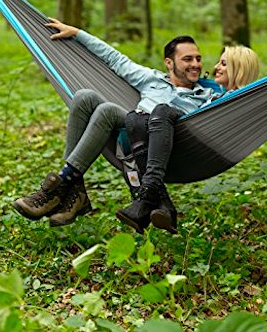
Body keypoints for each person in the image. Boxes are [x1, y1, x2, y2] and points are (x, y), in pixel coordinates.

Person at [12, 19, 215, 227]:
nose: (196, 65)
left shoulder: (206, 95)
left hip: (165, 141)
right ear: (169, 63)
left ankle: (62, 185)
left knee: (107, 110)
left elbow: (232, 100)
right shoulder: (152, 79)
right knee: (84, 97)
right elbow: (115, 58)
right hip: (133, 127)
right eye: (188, 59)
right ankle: (74, 186)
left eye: (198, 59)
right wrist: (77, 33)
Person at [116, 44, 260, 235]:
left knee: (161, 110)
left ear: (238, 69)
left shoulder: (237, 100)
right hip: (180, 141)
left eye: (224, 63)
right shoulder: (217, 94)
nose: (216, 66)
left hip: (198, 149)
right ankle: (161, 206)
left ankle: (147, 193)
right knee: (135, 119)